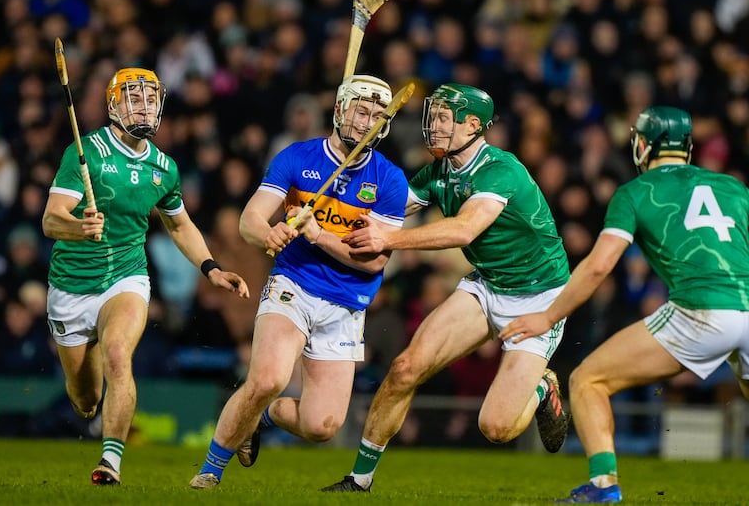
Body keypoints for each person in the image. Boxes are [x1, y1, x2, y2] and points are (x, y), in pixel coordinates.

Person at [322, 83, 571, 493]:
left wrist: (387, 239)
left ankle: (543, 386)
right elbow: (383, 209)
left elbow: (463, 228)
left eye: (443, 118)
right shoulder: (438, 172)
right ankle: (359, 479)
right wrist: (337, 195)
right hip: (487, 286)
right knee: (404, 369)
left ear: (473, 124)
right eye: (432, 116)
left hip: (538, 300)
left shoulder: (500, 170)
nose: (433, 126)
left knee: (496, 427)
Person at [500, 105, 749, 504]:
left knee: (587, 381)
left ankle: (603, 486)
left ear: (644, 144)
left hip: (702, 309)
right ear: (687, 146)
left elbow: (599, 267)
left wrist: (548, 316)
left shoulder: (635, 192)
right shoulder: (734, 188)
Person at [188, 74, 409, 489]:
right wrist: (268, 233)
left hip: (347, 302)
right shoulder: (296, 157)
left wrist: (319, 234)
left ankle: (258, 418)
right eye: (362, 111)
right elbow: (250, 219)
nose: (368, 123)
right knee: (268, 379)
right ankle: (209, 473)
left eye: (379, 117)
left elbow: (374, 262)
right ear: (340, 110)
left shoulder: (390, 180)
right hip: (294, 283)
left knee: (321, 425)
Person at [42, 67, 250, 486]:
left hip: (126, 277)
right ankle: (91, 407)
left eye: (151, 99)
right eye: (134, 99)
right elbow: (51, 220)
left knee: (118, 354)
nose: (145, 107)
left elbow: (179, 225)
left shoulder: (164, 167)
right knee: (85, 398)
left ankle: (110, 463)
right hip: (71, 285)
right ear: (113, 105)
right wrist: (78, 227)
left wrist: (210, 268)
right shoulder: (85, 152)